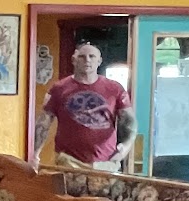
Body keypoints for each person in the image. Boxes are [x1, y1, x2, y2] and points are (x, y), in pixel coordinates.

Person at [36, 41, 136, 169]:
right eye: (82, 56)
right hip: (68, 162)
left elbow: (129, 123)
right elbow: (43, 123)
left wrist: (124, 149)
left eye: (92, 56)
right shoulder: (59, 89)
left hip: (105, 163)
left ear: (99, 61)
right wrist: (34, 154)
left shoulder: (115, 89)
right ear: (74, 60)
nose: (87, 60)